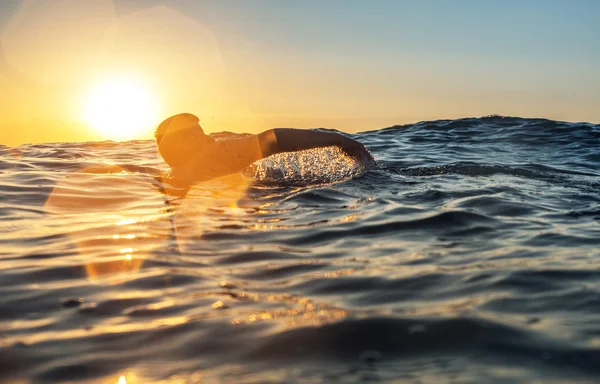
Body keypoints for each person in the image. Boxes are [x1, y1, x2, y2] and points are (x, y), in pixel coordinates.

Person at [155, 113, 375, 182]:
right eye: (197, 133)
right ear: (183, 142)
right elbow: (274, 140)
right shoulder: (211, 157)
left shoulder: (176, 176)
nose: (209, 138)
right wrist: (341, 141)